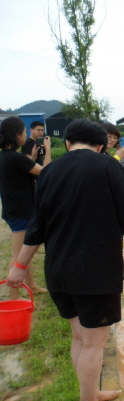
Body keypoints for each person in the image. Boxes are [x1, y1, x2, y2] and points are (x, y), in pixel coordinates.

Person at [6, 119, 124, 401]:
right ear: (102, 146)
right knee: (92, 342)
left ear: (67, 143)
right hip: (95, 272)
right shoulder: (106, 167)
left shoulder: (50, 172)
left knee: (80, 338)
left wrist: (19, 266)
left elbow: (37, 227)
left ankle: (89, 395)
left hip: (59, 271)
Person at [0, 116, 51, 300]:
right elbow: (46, 172)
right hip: (20, 212)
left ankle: (33, 286)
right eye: (23, 133)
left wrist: (32, 159)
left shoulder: (5, 156)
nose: (24, 136)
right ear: (16, 135)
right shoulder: (17, 158)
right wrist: (49, 150)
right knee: (17, 256)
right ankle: (13, 296)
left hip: (12, 209)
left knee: (25, 250)